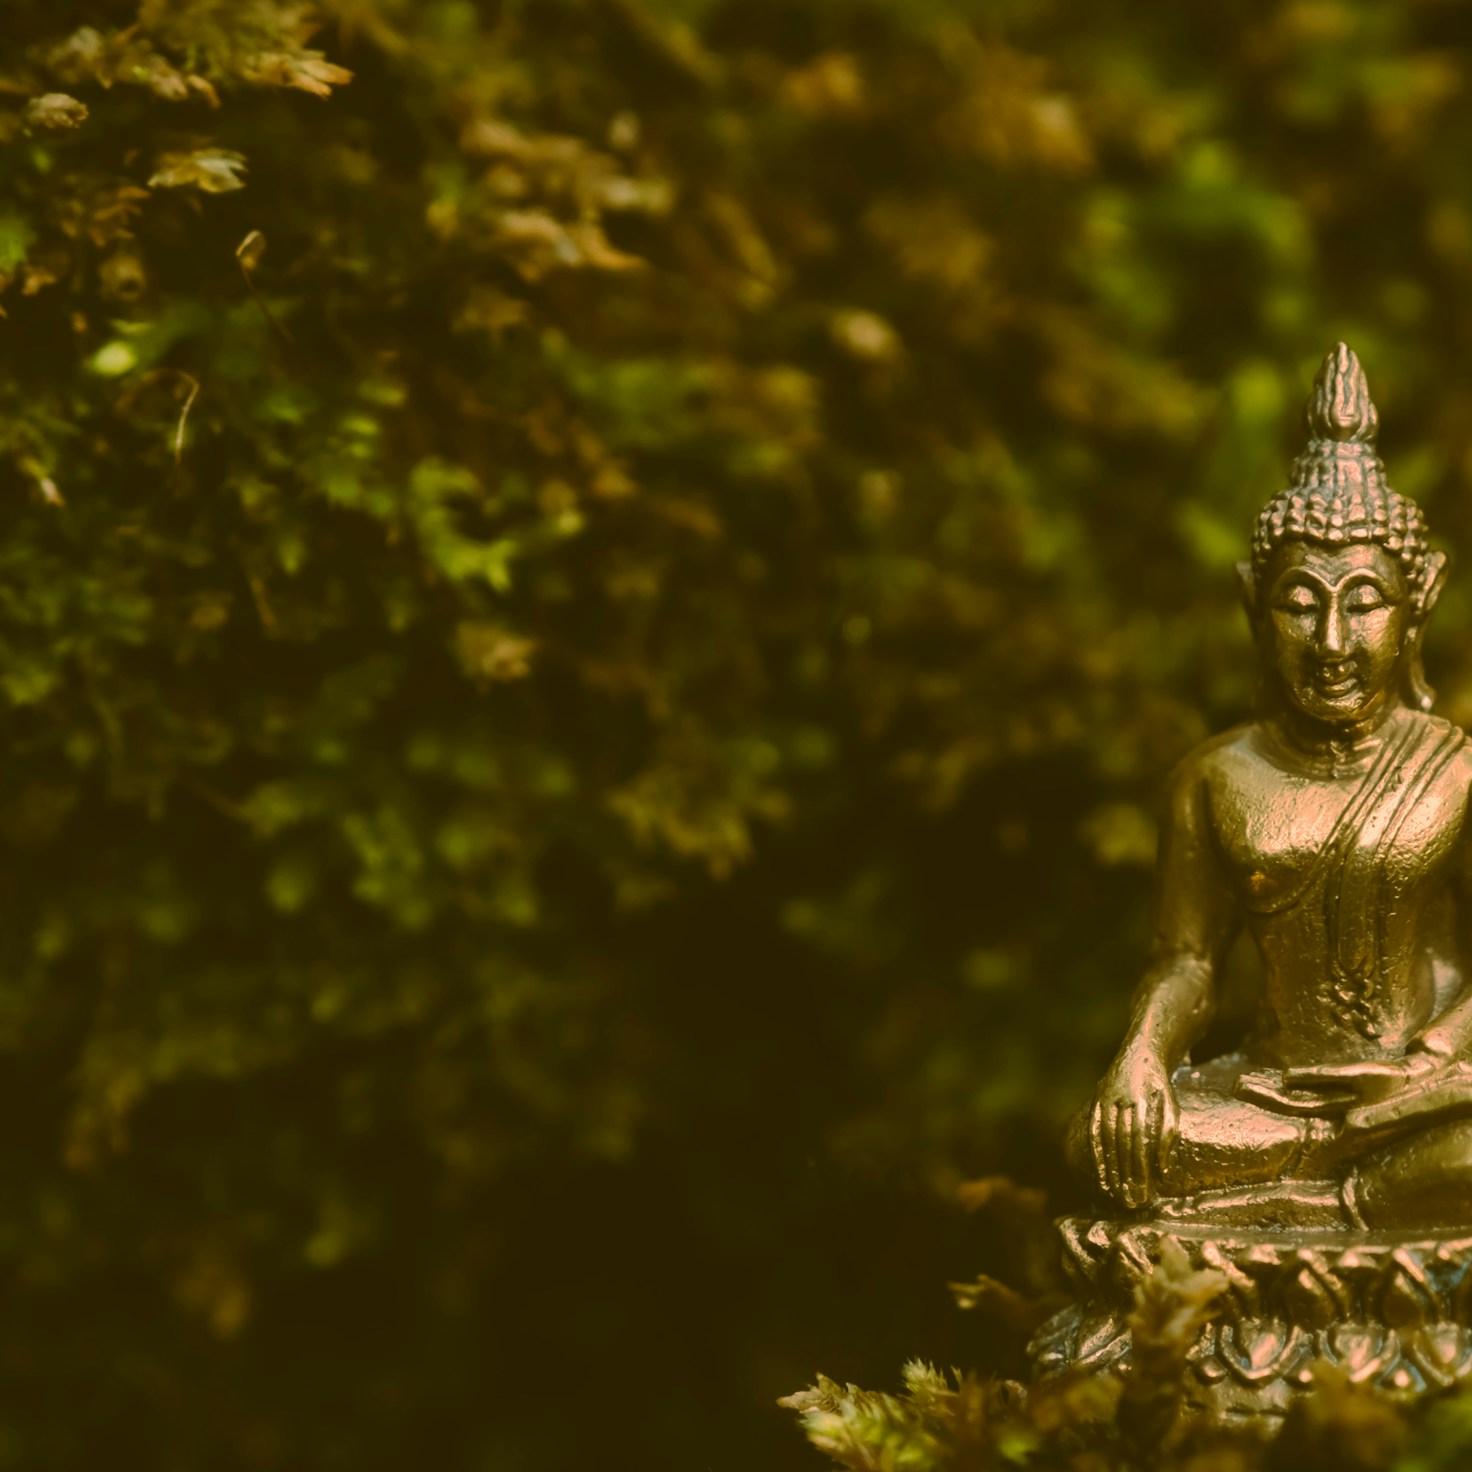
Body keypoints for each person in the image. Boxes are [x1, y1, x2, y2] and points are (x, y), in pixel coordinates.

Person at [1072, 343, 1472, 1231]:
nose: (1332, 640)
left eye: (1365, 600)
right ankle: (1348, 1202)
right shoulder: (1214, 779)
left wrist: (1428, 1063)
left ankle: (1332, 1202)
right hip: (1272, 1095)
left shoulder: (1459, 769)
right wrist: (1140, 1054)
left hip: (1428, 1097)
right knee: (1110, 1147)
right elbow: (1186, 960)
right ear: (1253, 602)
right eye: (1300, 601)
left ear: (1420, 604)